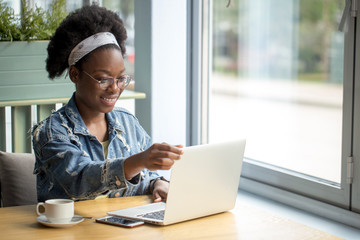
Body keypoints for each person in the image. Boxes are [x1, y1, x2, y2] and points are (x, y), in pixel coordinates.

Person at [32, 5, 183, 202]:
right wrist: (139, 160)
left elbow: (146, 175)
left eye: (121, 79)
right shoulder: (52, 132)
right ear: (75, 75)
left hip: (123, 230)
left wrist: (158, 183)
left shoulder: (127, 122)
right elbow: (80, 180)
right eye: (103, 79)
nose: (114, 88)